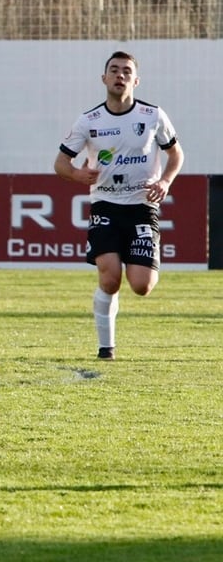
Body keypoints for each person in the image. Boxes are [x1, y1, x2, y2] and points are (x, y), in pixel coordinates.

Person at [54, 51, 184, 361]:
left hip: (141, 206)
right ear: (104, 78)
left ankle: (145, 260)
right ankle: (105, 348)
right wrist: (76, 174)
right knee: (110, 278)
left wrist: (165, 181)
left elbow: (176, 155)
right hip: (106, 205)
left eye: (126, 71)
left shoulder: (152, 116)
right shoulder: (89, 120)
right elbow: (60, 163)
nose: (119, 75)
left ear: (136, 80)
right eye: (114, 70)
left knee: (142, 286)